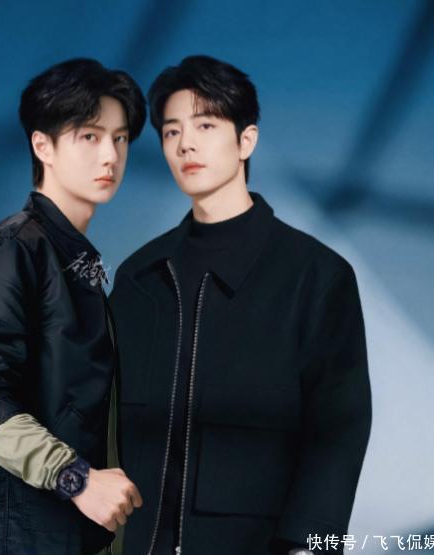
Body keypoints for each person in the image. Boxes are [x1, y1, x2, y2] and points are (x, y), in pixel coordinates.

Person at [109, 55, 372, 555]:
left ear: (246, 140)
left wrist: (309, 546)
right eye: (171, 131)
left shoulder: (315, 276)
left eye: (205, 125)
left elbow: (340, 427)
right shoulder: (139, 277)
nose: (185, 144)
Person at [0, 58, 146, 555]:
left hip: (54, 532)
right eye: (89, 136)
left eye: (120, 138)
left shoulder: (73, 260)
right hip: (10, 536)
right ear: (42, 145)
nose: (110, 155)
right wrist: (76, 478)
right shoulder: (14, 250)